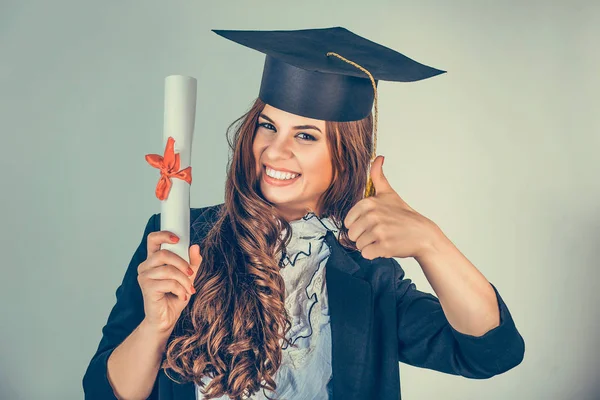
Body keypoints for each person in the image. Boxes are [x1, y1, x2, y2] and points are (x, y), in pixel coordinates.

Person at [83, 27, 525, 400]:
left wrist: (432, 244)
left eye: (307, 135)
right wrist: (156, 327)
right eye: (268, 125)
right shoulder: (181, 238)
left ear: (344, 154)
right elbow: (103, 392)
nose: (275, 149)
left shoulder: (368, 274)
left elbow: (490, 352)